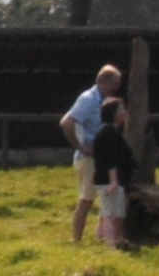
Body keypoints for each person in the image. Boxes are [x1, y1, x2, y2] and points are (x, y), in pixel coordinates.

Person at [59, 63, 122, 242]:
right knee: (87, 199)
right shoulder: (88, 98)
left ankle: (101, 236)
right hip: (89, 158)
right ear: (105, 81)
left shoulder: (103, 100)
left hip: (101, 156)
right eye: (116, 83)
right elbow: (66, 122)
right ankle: (76, 240)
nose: (118, 88)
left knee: (106, 196)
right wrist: (81, 147)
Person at [91, 97, 141, 248]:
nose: (125, 112)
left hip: (106, 179)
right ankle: (113, 242)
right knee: (114, 213)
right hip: (110, 180)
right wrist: (114, 180)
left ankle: (102, 237)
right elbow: (111, 159)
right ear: (113, 113)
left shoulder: (109, 131)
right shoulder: (109, 132)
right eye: (121, 110)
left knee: (108, 209)